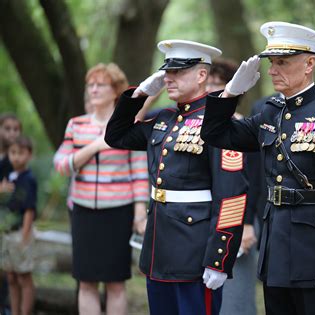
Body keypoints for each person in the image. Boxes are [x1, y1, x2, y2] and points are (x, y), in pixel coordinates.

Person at [201, 21, 315, 315]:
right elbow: (216, 134)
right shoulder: (270, 111)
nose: (273, 70)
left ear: (309, 64)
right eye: (272, 63)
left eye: (283, 62)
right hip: (276, 250)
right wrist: (230, 93)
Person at [105, 40, 248, 315]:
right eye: (166, 72)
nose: (168, 78)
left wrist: (219, 258)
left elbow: (231, 196)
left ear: (202, 75)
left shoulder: (218, 122)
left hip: (195, 252)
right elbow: (116, 136)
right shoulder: (164, 118)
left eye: (178, 72)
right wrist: (140, 94)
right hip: (159, 248)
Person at [53, 63, 149, 315]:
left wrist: (140, 213)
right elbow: (61, 165)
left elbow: (140, 173)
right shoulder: (76, 125)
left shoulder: (128, 126)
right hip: (83, 212)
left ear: (115, 90)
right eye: (90, 84)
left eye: (100, 84)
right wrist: (95, 146)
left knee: (116, 283)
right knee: (85, 281)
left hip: (118, 212)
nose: (93, 89)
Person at [206, 58, 258, 315]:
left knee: (237, 289)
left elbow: (254, 179)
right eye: (208, 82)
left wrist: (247, 223)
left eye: (219, 83)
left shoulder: (243, 126)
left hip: (239, 218)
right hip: (208, 217)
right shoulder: (202, 126)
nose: (212, 88)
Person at [0, 135, 37, 315]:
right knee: (11, 277)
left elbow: (30, 209)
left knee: (24, 277)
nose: (16, 157)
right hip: (7, 233)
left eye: (20, 153)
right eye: (12, 152)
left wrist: (24, 235)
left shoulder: (28, 179)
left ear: (29, 155)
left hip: (21, 233)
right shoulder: (8, 178)